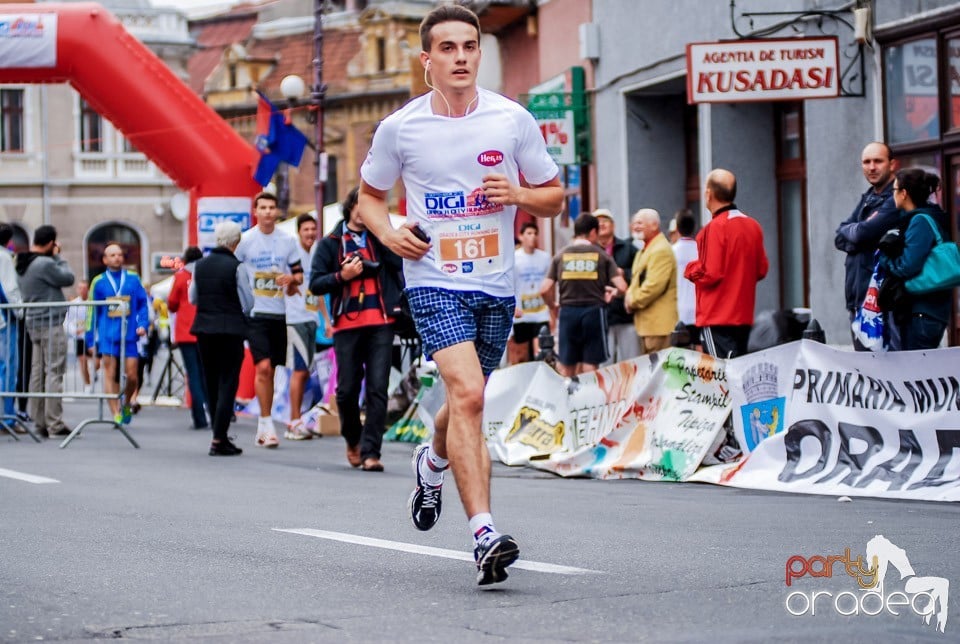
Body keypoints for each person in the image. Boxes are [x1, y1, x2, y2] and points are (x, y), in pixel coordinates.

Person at [356, 4, 563, 585]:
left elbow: (555, 198)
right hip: (432, 281)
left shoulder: (511, 120)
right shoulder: (401, 127)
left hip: (496, 287)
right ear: (427, 60)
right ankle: (484, 535)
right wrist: (390, 232)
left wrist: (518, 191)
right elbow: (368, 199)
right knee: (469, 391)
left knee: (465, 399)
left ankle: (433, 459)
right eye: (447, 48)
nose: (461, 57)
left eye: (469, 46)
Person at [311, 186, 405, 471]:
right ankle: (353, 439)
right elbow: (315, 283)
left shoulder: (382, 239)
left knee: (378, 388)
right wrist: (344, 275)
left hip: (382, 322)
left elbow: (399, 268)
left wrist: (387, 238)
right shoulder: (330, 243)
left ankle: (371, 452)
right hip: (346, 323)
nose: (365, 213)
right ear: (351, 208)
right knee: (347, 391)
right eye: (361, 207)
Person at [234, 191, 303, 448]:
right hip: (254, 313)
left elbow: (299, 275)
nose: (267, 212)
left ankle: (265, 420)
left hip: (279, 313)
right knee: (262, 367)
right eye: (262, 207)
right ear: (256, 211)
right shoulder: (246, 241)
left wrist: (290, 279)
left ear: (277, 212)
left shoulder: (287, 240)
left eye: (272, 208)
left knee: (272, 370)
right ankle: (265, 423)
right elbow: (234, 271)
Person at [684, 169, 768, 359]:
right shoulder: (753, 225)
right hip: (743, 315)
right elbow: (761, 270)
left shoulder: (713, 228)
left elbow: (710, 273)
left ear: (709, 194)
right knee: (736, 375)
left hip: (716, 317)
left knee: (721, 379)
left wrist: (690, 269)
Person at [190, 221, 253, 456]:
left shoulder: (199, 266)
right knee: (228, 382)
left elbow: (193, 297)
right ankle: (219, 437)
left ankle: (218, 434)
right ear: (236, 242)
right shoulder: (237, 267)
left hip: (204, 329)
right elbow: (248, 302)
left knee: (211, 381)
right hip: (230, 329)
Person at [541, 212, 627, 376]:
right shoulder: (602, 256)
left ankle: (567, 399)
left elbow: (545, 289)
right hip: (594, 313)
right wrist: (613, 293)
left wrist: (553, 306)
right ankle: (590, 400)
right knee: (590, 366)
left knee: (566, 366)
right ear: (593, 232)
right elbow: (622, 286)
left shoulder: (560, 255)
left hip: (567, 313)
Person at [834, 142, 901, 351]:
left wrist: (858, 234)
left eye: (878, 161)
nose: (872, 167)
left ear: (892, 164)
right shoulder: (869, 197)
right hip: (857, 299)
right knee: (865, 373)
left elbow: (862, 233)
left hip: (880, 302)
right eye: (866, 162)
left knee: (883, 372)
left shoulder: (896, 198)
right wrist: (858, 235)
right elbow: (840, 235)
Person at [877, 169, 951, 350]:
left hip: (922, 312)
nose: (891, 195)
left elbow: (907, 266)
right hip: (927, 311)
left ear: (904, 193)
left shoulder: (920, 221)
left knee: (918, 373)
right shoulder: (923, 217)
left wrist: (885, 259)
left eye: (894, 190)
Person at [15, 225, 75, 438]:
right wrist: (59, 257)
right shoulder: (45, 263)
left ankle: (39, 419)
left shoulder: (23, 263)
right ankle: (54, 422)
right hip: (51, 322)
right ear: (51, 243)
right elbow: (68, 278)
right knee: (54, 371)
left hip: (33, 323)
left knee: (37, 372)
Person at [88, 243, 150, 425]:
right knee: (110, 373)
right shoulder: (98, 282)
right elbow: (92, 312)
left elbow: (142, 304)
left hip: (130, 335)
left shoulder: (132, 278)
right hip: (108, 336)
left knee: (132, 376)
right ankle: (115, 413)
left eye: (119, 255)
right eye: (112, 255)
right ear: (105, 259)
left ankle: (127, 404)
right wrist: (91, 339)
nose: (117, 258)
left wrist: (142, 324)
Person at [284, 213, 320, 441]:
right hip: (295, 319)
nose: (310, 234)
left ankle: (298, 419)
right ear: (299, 232)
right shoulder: (293, 255)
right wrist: (290, 285)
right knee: (299, 370)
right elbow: (287, 285)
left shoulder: (315, 255)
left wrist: (326, 321)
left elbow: (317, 291)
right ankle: (293, 421)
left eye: (313, 230)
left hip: (311, 318)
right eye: (306, 230)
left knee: (306, 370)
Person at [624, 208, 678, 354]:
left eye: (640, 223)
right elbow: (636, 280)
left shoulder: (660, 250)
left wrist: (631, 301)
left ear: (654, 225)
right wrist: (628, 296)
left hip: (658, 326)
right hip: (648, 326)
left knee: (659, 374)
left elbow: (654, 286)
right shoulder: (645, 249)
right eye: (634, 223)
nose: (635, 226)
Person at [167, 246, 209, 430]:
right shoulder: (207, 275)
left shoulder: (180, 276)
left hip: (186, 331)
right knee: (207, 374)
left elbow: (172, 303)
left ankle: (199, 418)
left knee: (193, 375)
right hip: (205, 329)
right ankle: (216, 413)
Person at [594, 209, 637, 365]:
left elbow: (642, 274)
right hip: (600, 316)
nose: (602, 224)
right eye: (598, 221)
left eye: (605, 220)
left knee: (632, 364)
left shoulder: (628, 248)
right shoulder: (590, 251)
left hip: (626, 315)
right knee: (605, 366)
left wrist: (623, 273)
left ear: (613, 225)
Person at [508, 222, 551, 364]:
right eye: (529, 233)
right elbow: (509, 285)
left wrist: (552, 309)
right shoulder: (514, 258)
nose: (533, 237)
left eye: (535, 233)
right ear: (520, 236)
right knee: (521, 355)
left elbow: (549, 284)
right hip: (521, 313)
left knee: (542, 353)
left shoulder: (544, 257)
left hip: (540, 312)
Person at [0, 224, 22, 427]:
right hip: (4, 320)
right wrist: (19, 311)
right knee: (7, 367)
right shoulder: (4, 257)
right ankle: (5, 417)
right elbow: (8, 289)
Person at [672, 210, 700, 349]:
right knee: (700, 348)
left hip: (679, 310)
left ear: (677, 228)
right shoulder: (700, 250)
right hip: (699, 309)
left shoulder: (672, 251)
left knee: (681, 353)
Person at [64, 280, 94, 393]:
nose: (82, 290)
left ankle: (93, 373)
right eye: (80, 288)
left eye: (85, 288)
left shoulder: (93, 302)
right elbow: (67, 320)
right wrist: (73, 330)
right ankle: (87, 384)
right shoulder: (74, 304)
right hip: (80, 337)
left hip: (92, 337)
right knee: (82, 360)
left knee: (96, 362)